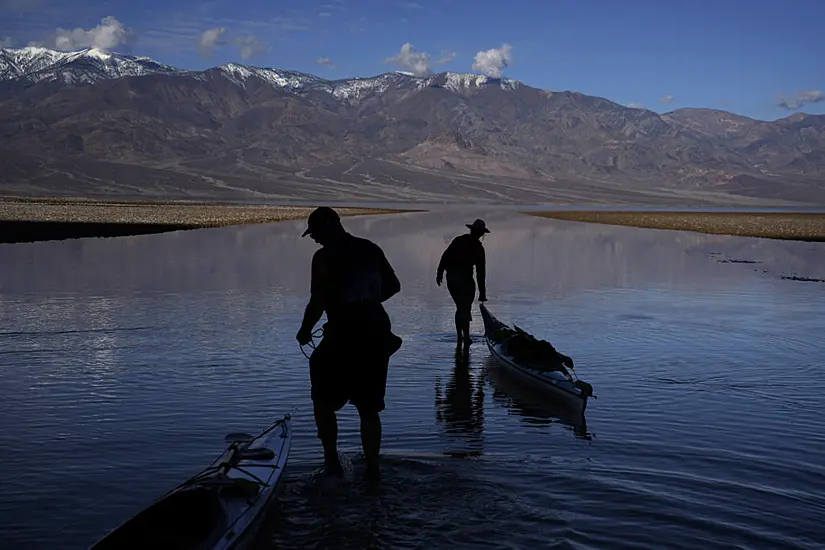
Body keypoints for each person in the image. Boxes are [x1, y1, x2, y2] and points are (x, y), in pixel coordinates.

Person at [296, 207, 402, 482]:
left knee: (322, 400)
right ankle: (372, 469)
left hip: (343, 333)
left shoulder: (323, 257)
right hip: (376, 331)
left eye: (316, 232)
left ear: (331, 224)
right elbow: (393, 286)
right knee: (368, 408)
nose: (314, 238)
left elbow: (317, 302)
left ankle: (331, 461)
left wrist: (305, 331)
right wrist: (369, 300)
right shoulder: (370, 248)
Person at [435, 219, 489, 345]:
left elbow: (445, 256)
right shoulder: (478, 248)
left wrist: (440, 272)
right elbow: (481, 273)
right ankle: (466, 337)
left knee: (460, 308)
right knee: (464, 308)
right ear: (481, 234)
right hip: (465, 280)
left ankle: (461, 337)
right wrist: (482, 293)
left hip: (452, 279)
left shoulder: (459, 241)